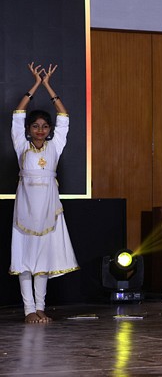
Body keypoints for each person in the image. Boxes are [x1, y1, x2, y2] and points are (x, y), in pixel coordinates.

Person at [9, 62, 79, 323]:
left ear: (49, 130)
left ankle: (40, 307)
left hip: (49, 210)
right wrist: (35, 84)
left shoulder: (55, 147)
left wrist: (48, 85)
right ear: (28, 130)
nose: (40, 130)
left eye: (45, 126)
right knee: (25, 259)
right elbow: (18, 113)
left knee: (42, 262)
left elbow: (64, 116)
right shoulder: (21, 146)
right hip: (25, 210)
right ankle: (28, 310)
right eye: (35, 126)